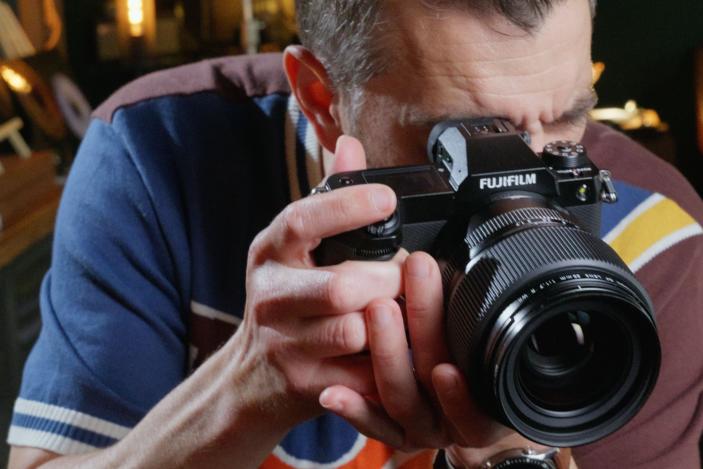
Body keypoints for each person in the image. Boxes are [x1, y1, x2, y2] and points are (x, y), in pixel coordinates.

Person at [7, 0, 703, 467]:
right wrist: (245, 387)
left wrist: (516, 446)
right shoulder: (157, 155)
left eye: (563, 124)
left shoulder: (651, 237)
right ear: (323, 100)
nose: (521, 172)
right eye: (466, 139)